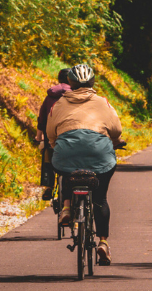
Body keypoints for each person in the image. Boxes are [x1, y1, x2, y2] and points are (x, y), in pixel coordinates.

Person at [46, 64, 123, 265]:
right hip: (100, 155)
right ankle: (103, 243)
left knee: (66, 171)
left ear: (70, 83)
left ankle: (67, 208)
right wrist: (114, 142)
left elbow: (50, 133)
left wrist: (57, 146)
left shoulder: (59, 103)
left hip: (65, 153)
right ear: (92, 82)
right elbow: (116, 129)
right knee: (100, 198)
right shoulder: (102, 102)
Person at [36, 68, 71, 201]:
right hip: (72, 134)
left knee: (47, 153)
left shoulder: (50, 96)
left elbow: (42, 119)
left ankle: (48, 186)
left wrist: (39, 136)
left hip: (52, 136)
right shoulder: (76, 95)